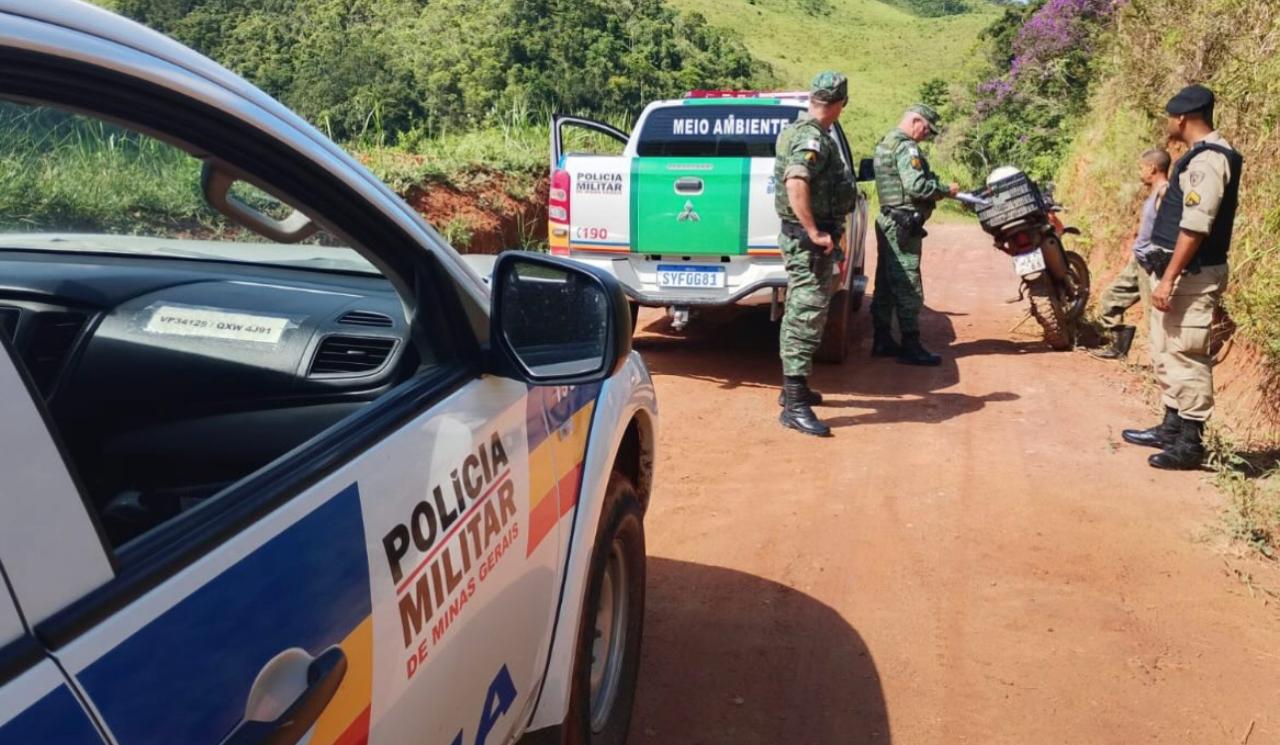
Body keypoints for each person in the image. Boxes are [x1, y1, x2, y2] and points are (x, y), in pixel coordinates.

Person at [1122, 84, 1242, 470]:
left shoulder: (1209, 161)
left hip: (1192, 273)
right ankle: (1171, 426)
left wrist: (1169, 277)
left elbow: (1195, 225)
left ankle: (1190, 444)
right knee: (1167, 349)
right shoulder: (1197, 157)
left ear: (1182, 119)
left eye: (1170, 118)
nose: (1168, 123)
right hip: (1181, 273)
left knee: (1187, 353)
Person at [774, 71, 858, 437]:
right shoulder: (811, 137)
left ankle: (795, 390)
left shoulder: (800, 130)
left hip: (808, 241)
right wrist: (814, 231)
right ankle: (794, 406)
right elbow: (796, 181)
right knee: (805, 317)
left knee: (804, 311)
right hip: (808, 243)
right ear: (840, 104)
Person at [870, 104, 959, 366]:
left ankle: (882, 339)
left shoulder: (886, 142)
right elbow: (916, 185)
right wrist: (944, 190)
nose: (926, 135)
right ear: (915, 121)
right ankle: (911, 345)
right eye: (927, 130)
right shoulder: (906, 147)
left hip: (889, 219)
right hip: (903, 224)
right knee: (909, 284)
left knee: (886, 283)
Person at [1090, 147, 1172, 360]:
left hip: (1152, 265)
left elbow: (1173, 230)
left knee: (1153, 316)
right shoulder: (1153, 193)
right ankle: (1120, 346)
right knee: (1110, 299)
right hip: (1139, 261)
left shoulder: (1165, 192)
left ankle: (1162, 367)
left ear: (1152, 168)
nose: (1139, 173)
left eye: (1141, 168)